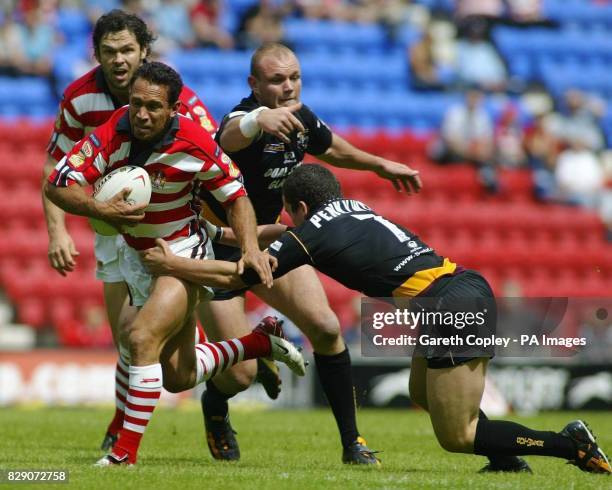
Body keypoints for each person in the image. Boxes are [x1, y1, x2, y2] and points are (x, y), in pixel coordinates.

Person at [142, 164, 612, 475]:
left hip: (447, 307)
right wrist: (218, 231)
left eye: (293, 214)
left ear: (301, 207)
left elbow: (246, 271)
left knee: (458, 436)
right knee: (419, 393)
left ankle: (569, 445)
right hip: (457, 289)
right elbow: (283, 232)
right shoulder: (348, 210)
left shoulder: (310, 234)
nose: (293, 221)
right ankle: (507, 459)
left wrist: (173, 264)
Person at [45, 61, 306, 466]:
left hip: (182, 253)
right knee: (179, 376)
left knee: (141, 338)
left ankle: (123, 456)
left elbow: (237, 196)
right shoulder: (113, 132)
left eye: (153, 106)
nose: (142, 114)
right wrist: (101, 208)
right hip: (140, 258)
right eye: (136, 104)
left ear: (173, 109)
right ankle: (258, 343)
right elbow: (58, 183)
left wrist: (251, 248)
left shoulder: (195, 142)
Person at [194, 42, 421, 465]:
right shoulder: (242, 119)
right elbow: (229, 135)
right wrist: (261, 118)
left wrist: (379, 166)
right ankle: (216, 404)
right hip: (218, 246)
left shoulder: (300, 117)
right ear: (254, 85)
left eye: (294, 77)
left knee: (327, 328)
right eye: (277, 80)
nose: (288, 86)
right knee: (238, 376)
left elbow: (331, 147)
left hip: (268, 239)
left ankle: (352, 443)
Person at [41, 9, 217, 452]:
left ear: (144, 51)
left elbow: (211, 163)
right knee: (129, 332)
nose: (118, 60)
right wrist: (57, 231)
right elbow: (54, 167)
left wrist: (222, 231)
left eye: (127, 50)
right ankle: (120, 425)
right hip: (108, 221)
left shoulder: (180, 99)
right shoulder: (79, 98)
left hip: (173, 225)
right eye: (108, 51)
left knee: (171, 352)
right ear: (96, 54)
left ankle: (214, 408)